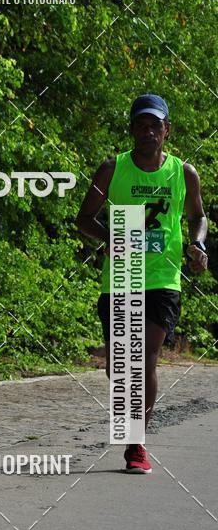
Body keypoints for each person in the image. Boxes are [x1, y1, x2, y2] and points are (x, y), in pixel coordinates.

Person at [77, 93, 208, 473]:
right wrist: (110, 238)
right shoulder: (112, 169)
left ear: (167, 130)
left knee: (146, 356)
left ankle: (136, 441)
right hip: (121, 275)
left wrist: (197, 243)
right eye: (140, 125)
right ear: (132, 130)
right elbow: (85, 218)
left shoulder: (183, 173)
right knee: (120, 365)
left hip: (164, 277)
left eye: (155, 125)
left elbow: (198, 216)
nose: (148, 131)